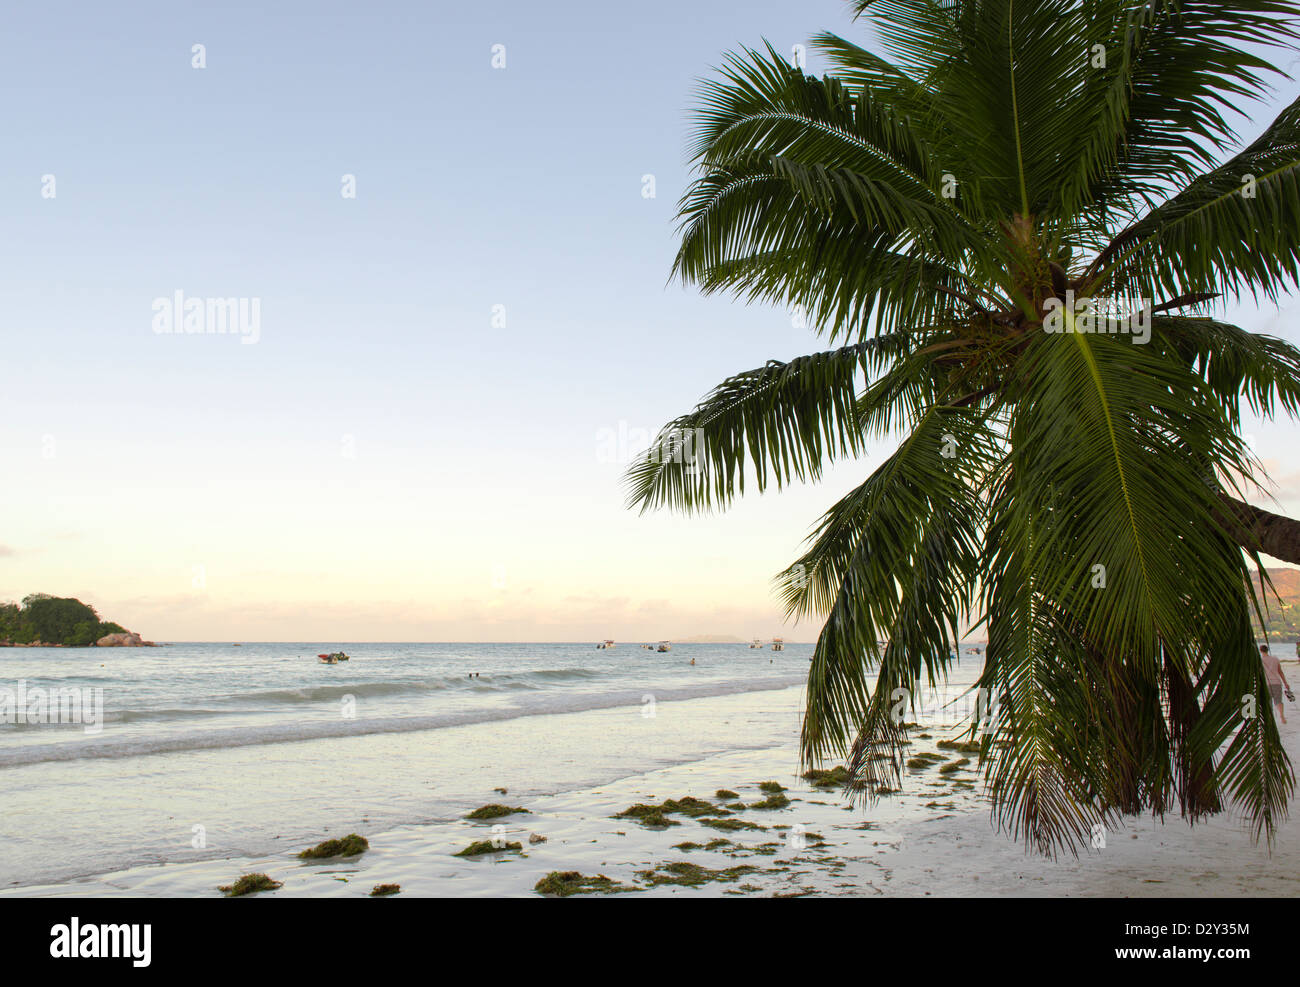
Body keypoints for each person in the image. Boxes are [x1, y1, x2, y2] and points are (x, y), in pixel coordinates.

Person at [1260, 644, 1292, 725]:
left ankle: (1270, 718)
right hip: (1277, 682)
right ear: (1267, 650)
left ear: (1260, 651)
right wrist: (1285, 683)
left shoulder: (1260, 660)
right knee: (1278, 701)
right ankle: (1281, 715)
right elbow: (1280, 672)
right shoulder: (1275, 659)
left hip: (1267, 683)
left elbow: (1260, 673)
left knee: (1268, 701)